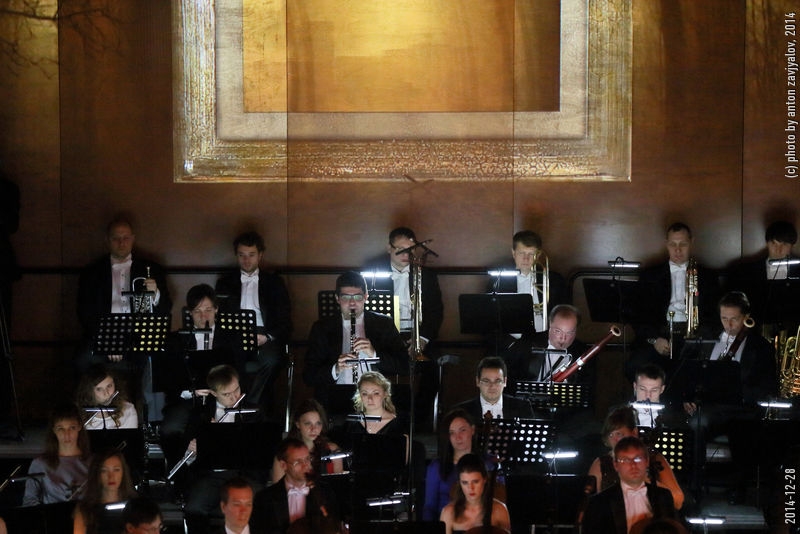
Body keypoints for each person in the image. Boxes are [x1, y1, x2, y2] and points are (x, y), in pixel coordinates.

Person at [681, 291, 777, 503]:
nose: (729, 324)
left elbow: (767, 387)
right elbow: (687, 371)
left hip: (742, 408)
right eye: (724, 318)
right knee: (696, 422)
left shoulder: (761, 347)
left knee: (744, 430)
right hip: (709, 407)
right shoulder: (707, 338)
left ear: (746, 317)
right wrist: (688, 397)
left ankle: (739, 487)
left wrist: (740, 393)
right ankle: (694, 485)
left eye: (734, 319)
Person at [363, 226, 444, 429]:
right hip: (385, 338)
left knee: (433, 369)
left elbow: (436, 312)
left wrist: (421, 340)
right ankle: (382, 418)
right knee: (371, 367)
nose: (406, 255)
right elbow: (366, 314)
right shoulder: (373, 273)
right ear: (389, 248)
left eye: (410, 250)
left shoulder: (427, 276)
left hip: (416, 336)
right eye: (400, 250)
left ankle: (418, 422)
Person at [76, 216, 171, 373]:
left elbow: (166, 308)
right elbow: (84, 313)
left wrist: (155, 294)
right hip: (105, 334)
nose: (121, 243)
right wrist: (108, 340)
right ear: (107, 240)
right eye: (116, 238)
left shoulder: (152, 269)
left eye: (126, 238)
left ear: (133, 239)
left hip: (139, 336)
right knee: (82, 360)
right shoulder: (91, 273)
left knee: (161, 360)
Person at [628, 223, 719, 380]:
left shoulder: (708, 277)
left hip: (694, 336)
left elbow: (715, 316)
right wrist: (655, 339)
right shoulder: (649, 276)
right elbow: (638, 315)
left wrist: (697, 339)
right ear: (666, 244)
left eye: (683, 244)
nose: (677, 250)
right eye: (673, 244)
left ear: (691, 242)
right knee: (634, 366)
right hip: (661, 334)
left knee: (702, 373)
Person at [302, 271, 408, 405]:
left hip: (376, 399)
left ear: (366, 297)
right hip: (335, 397)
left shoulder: (383, 324)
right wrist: (336, 369)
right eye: (346, 297)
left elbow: (404, 366)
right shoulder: (322, 328)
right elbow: (309, 376)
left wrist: (374, 354)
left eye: (358, 297)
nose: (352, 303)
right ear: (337, 298)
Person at [216, 231, 292, 413]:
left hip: (265, 334)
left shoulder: (274, 282)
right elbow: (220, 318)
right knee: (230, 360)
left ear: (260, 255)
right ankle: (246, 407)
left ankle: (248, 404)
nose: (246, 260)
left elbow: (285, 319)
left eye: (251, 255)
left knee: (272, 360)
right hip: (235, 334)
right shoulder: (225, 283)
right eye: (242, 255)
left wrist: (267, 336)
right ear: (236, 256)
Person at [587, 406, 684, 510]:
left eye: (619, 434)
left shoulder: (654, 458)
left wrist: (646, 480)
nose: (615, 440)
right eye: (611, 435)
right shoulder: (601, 463)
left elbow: (678, 500)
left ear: (634, 432)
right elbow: (588, 504)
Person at [582, 436, 677, 534]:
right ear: (616, 465)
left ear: (647, 462)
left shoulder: (663, 496)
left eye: (638, 459)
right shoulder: (599, 502)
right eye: (625, 460)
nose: (633, 465)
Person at [424, 408, 500, 521]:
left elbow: (499, 500)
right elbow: (429, 508)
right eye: (452, 433)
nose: (458, 437)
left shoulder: (490, 463)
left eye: (462, 430)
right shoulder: (436, 467)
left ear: (472, 430)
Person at [251, 438, 340, 534]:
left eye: (307, 459)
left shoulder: (325, 493)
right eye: (298, 462)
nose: (305, 466)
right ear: (283, 465)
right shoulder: (264, 499)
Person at [726, 220, 800, 338]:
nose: (778, 249)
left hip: (793, 334)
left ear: (792, 245)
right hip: (756, 333)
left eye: (784, 244)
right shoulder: (745, 271)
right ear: (767, 243)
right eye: (774, 243)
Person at [490, 230, 568, 334]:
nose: (526, 259)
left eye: (531, 254)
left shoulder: (555, 280)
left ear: (538, 255)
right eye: (521, 253)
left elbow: (565, 314)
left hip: (545, 338)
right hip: (510, 340)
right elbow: (490, 318)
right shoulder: (498, 280)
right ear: (513, 253)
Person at [23, 402, 92, 506]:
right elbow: (29, 500)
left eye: (72, 427)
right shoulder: (40, 464)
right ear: (54, 430)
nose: (67, 434)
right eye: (61, 429)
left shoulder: (93, 462)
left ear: (79, 427)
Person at [271, 399, 343, 483]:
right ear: (297, 424)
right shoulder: (284, 454)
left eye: (318, 423)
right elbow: (278, 489)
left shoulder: (332, 451)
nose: (314, 429)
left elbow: (338, 485)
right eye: (308, 423)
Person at [439, 453, 511, 534]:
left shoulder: (499, 510)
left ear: (484, 479)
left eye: (475, 482)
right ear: (459, 483)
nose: (471, 488)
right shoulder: (448, 513)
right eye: (465, 482)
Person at [73, 450, 138, 534]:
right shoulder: (85, 509)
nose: (111, 476)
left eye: (116, 470)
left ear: (123, 472)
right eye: (104, 471)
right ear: (97, 474)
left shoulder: (135, 505)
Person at [454, 356, 534, 422]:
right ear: (477, 382)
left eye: (497, 381)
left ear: (505, 382)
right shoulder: (460, 411)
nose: (492, 386)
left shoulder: (523, 407)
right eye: (486, 381)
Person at [76, 364, 139, 430]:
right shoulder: (79, 414)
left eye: (109, 386)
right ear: (89, 391)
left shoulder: (128, 410)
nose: (106, 393)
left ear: (115, 384)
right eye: (99, 389)